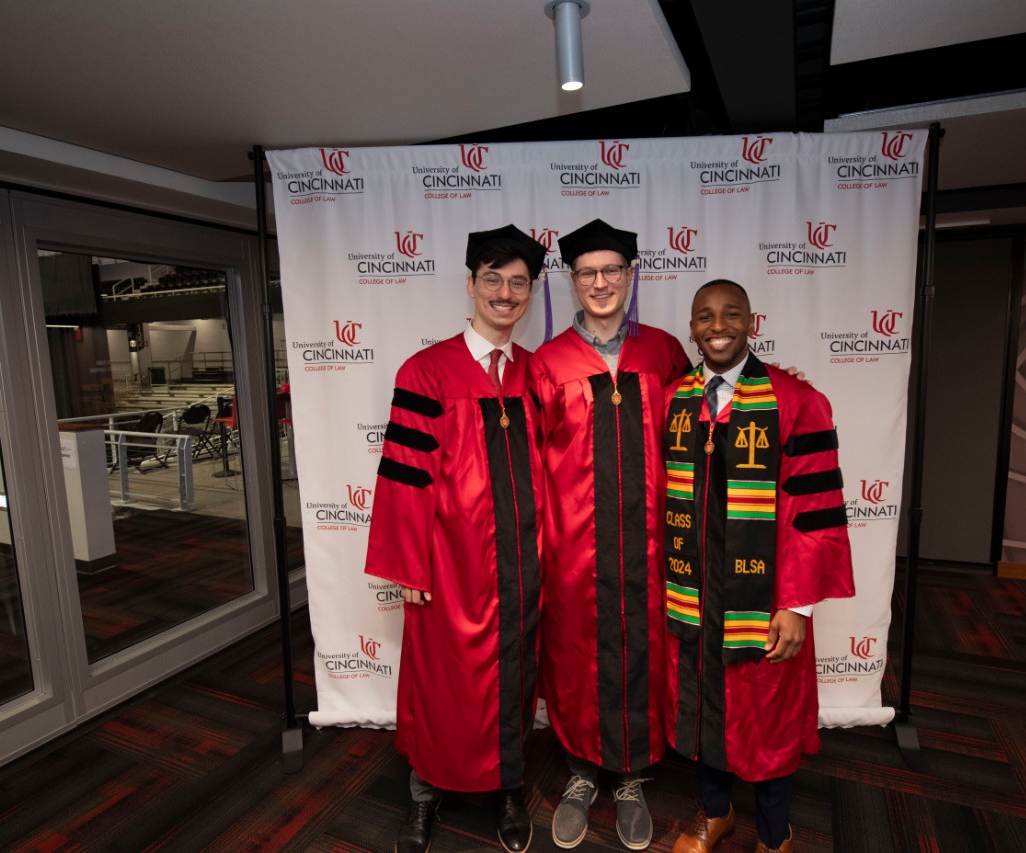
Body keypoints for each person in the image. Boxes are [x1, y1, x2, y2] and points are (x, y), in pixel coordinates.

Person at [364, 225, 548, 853]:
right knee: (441, 681)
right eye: (492, 279)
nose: (505, 293)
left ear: (530, 292)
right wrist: (408, 565)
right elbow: (403, 478)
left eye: (518, 282)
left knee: (514, 678)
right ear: (469, 285)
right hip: (448, 564)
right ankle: (423, 793)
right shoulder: (426, 371)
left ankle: (507, 789)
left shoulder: (536, 372)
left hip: (523, 566)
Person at [664, 280, 855, 853]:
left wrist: (796, 606)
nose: (716, 325)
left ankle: (775, 835)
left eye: (730, 314)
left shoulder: (795, 400)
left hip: (764, 594)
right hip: (696, 593)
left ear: (751, 321)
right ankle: (715, 813)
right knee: (705, 708)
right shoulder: (678, 399)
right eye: (704, 316)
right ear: (692, 328)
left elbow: (813, 514)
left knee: (765, 715)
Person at [529, 219, 691, 850]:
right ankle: (580, 770)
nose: (600, 283)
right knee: (574, 657)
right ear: (573, 281)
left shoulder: (664, 351)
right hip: (575, 545)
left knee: (644, 652)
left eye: (612, 271)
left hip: (650, 543)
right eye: (587, 273)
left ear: (630, 275)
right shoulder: (547, 363)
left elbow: (695, 435)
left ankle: (628, 775)